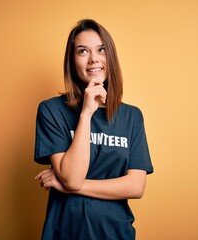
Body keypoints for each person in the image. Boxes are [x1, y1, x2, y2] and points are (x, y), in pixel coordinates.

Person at [34, 19, 153, 240]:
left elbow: (136, 186)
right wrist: (86, 113)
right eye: (82, 51)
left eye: (101, 50)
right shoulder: (51, 111)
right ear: (72, 61)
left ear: (111, 58)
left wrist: (67, 186)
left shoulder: (131, 116)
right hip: (65, 232)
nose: (93, 59)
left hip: (117, 233)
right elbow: (72, 177)